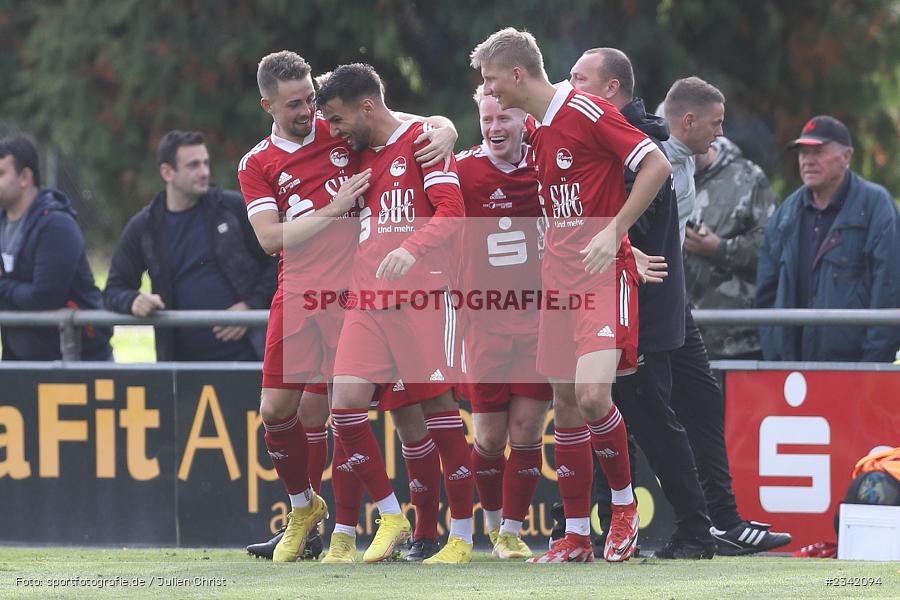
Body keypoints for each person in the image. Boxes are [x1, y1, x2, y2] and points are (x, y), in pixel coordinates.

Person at [238, 52, 460, 564]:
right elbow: (271, 238)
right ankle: (303, 509)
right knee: (275, 410)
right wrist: (334, 208)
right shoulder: (256, 163)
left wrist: (445, 128)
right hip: (296, 294)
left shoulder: (341, 131)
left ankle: (363, 526)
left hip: (353, 297)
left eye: (310, 100)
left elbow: (396, 121)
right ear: (266, 104)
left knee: (348, 413)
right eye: (294, 104)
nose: (307, 112)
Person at [471, 28, 673, 563]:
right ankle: (577, 534)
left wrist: (615, 232)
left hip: (602, 277)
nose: (488, 91)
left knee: (591, 396)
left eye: (491, 80)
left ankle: (624, 508)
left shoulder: (586, 110)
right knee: (564, 406)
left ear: (516, 75)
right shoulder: (537, 127)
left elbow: (657, 164)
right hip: (557, 282)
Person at [317, 63, 474, 565]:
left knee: (438, 414)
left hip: (423, 297)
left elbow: (452, 212)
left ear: (367, 107)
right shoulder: (355, 148)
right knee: (344, 405)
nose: (333, 131)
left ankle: (463, 538)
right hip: (367, 297)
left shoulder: (424, 141)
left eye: (338, 120)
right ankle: (391, 513)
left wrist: (412, 247)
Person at [566, 48, 717, 559]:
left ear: (610, 89)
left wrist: (621, 246)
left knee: (652, 420)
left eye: (579, 78)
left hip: (644, 308)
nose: (569, 87)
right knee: (614, 419)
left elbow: (640, 222)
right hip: (619, 301)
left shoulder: (637, 143)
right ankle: (611, 531)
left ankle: (696, 531)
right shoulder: (605, 137)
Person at [663, 78, 792, 555]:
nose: (721, 132)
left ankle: (715, 523)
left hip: (697, 318)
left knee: (697, 409)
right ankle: (677, 524)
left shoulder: (729, 173)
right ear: (689, 120)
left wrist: (719, 249)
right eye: (715, 123)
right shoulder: (652, 160)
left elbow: (770, 243)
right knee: (651, 419)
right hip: (653, 310)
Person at [455, 86, 553, 559]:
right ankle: (492, 522)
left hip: (539, 320)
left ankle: (511, 532)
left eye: (504, 119)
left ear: (523, 119)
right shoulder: (463, 169)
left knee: (529, 430)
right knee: (490, 438)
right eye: (487, 119)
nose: (495, 128)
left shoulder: (546, 163)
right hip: (484, 321)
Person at [104, 130, 276, 362]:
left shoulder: (232, 208)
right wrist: (134, 301)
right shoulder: (145, 227)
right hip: (184, 371)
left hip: (253, 359)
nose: (204, 172)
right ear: (167, 172)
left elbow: (277, 261)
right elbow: (114, 288)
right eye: (193, 165)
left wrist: (251, 306)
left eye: (205, 163)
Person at [757, 115, 900, 362]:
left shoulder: (876, 206)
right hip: (792, 375)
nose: (808, 161)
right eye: (803, 153)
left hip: (855, 369)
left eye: (818, 152)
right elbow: (765, 293)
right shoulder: (786, 214)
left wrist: (872, 366)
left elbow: (889, 288)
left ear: (847, 156)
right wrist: (775, 358)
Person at [0, 134, 111, 360]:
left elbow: (43, 297)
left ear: (25, 177)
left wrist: (3, 285)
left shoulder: (56, 225)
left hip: (76, 361)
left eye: (1, 173)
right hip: (21, 358)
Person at [685, 136, 777, 359]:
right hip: (679, 342)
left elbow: (772, 245)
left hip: (737, 342)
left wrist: (720, 249)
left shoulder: (748, 177)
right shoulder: (660, 177)